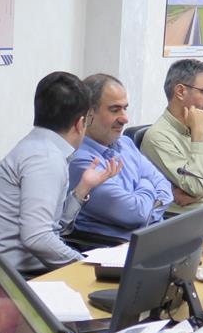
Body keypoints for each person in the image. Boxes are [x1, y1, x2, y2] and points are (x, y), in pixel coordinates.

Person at [0, 71, 120, 271]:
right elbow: (37, 238)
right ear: (80, 123)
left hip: (23, 265)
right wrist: (86, 267)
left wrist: (82, 189)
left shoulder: (38, 146)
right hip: (15, 275)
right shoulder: (45, 159)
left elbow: (54, 228)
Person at [68, 73, 173, 242]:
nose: (125, 118)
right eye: (115, 110)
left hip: (152, 239)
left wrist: (146, 216)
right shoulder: (80, 160)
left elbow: (165, 189)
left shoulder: (125, 143)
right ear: (88, 114)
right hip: (114, 248)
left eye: (125, 108)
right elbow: (135, 214)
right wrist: (146, 183)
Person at [140, 59, 203, 212]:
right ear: (180, 91)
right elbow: (196, 186)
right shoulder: (157, 137)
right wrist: (198, 135)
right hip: (191, 218)